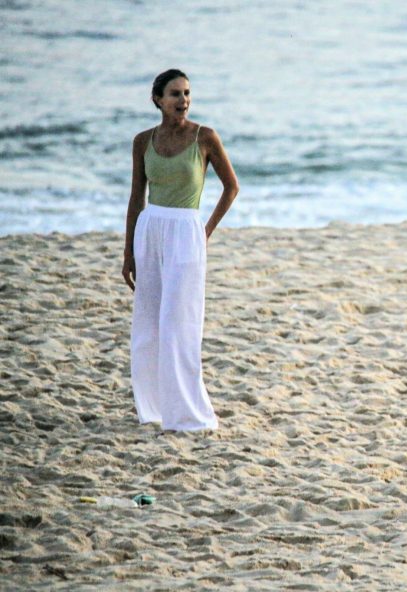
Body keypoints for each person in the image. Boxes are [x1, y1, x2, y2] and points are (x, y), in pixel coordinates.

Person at [122, 69, 239, 431]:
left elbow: (231, 188)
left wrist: (204, 231)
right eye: (175, 94)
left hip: (186, 231)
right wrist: (128, 252)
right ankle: (154, 409)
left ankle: (188, 414)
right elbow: (136, 197)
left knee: (179, 325)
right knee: (148, 327)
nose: (183, 100)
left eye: (187, 93)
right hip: (151, 230)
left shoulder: (204, 137)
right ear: (157, 99)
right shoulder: (143, 141)